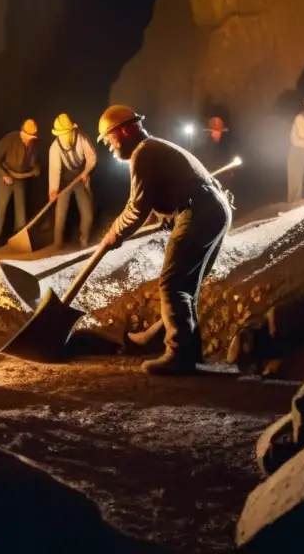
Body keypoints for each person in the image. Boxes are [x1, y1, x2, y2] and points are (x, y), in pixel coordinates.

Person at [98, 105, 232, 375]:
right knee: (185, 285)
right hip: (210, 208)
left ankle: (180, 355)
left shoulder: (144, 153)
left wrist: (113, 235)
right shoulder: (153, 147)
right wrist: (169, 215)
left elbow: (136, 208)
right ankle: (161, 337)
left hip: (200, 212)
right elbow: (168, 190)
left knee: (174, 284)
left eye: (110, 139)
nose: (110, 147)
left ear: (124, 131)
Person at [0, 119, 41, 249]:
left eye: (32, 137)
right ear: (22, 132)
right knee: (1, 209)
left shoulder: (33, 145)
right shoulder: (9, 139)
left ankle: (19, 239)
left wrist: (36, 168)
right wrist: (4, 175)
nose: (29, 140)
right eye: (27, 137)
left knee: (21, 211)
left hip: (21, 178)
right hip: (6, 176)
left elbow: (35, 162)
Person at [49, 113, 97, 249]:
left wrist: (85, 172)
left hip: (80, 177)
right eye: (62, 133)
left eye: (67, 132)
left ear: (72, 130)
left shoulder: (82, 138)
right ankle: (57, 244)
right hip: (64, 181)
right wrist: (53, 190)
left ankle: (84, 241)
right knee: (60, 214)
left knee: (88, 212)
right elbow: (54, 170)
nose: (65, 136)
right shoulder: (55, 147)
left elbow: (91, 157)